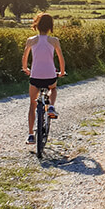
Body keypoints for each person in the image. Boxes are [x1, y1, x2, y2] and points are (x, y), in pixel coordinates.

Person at [22, 13, 66, 145]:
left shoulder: (30, 40)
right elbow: (61, 58)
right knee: (53, 88)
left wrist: (25, 69)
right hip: (50, 75)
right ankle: (51, 107)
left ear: (37, 25)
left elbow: (24, 58)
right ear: (50, 27)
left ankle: (30, 135)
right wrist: (62, 71)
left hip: (35, 76)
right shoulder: (54, 41)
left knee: (32, 104)